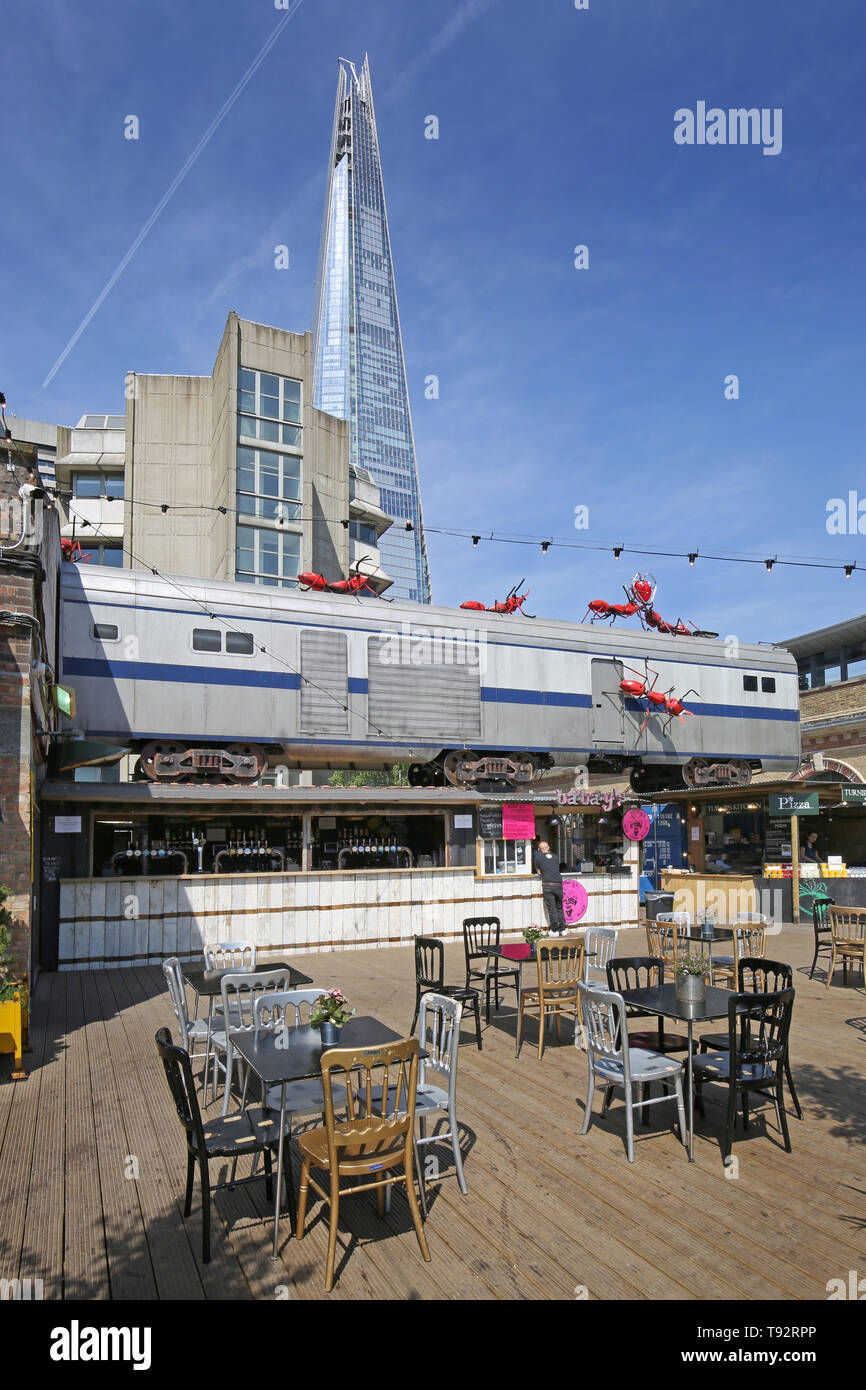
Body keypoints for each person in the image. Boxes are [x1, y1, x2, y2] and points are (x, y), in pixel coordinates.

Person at [533, 839, 565, 933]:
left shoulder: (538, 857)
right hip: (559, 884)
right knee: (559, 907)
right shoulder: (555, 857)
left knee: (552, 908)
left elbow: (539, 872)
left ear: (539, 849)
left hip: (548, 885)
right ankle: (563, 929)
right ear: (549, 848)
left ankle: (554, 930)